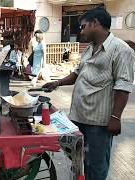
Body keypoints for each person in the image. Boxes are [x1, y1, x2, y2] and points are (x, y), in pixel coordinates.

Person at [42, 7, 135, 180]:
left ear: (95, 23)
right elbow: (77, 74)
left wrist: (116, 118)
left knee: (96, 167)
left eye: (83, 26)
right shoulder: (89, 49)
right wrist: (57, 82)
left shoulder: (121, 50)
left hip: (98, 124)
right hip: (79, 118)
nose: (81, 31)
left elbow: (123, 86)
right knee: (78, 162)